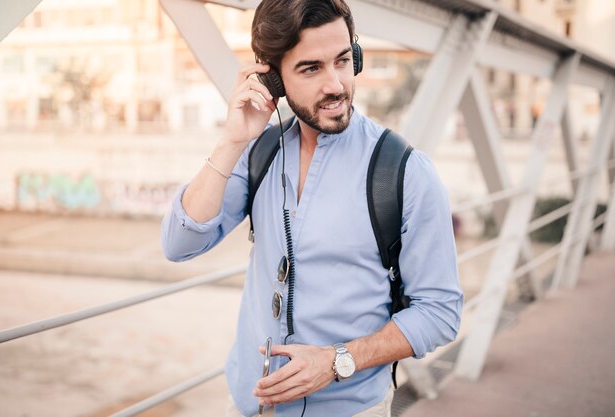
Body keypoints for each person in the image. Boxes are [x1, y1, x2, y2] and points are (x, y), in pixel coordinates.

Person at [161, 0, 462, 416]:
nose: (336, 84)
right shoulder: (258, 153)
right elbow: (179, 243)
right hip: (249, 407)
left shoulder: (406, 173)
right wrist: (232, 140)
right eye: (311, 68)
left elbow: (441, 313)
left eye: (342, 61)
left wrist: (339, 360)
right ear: (273, 78)